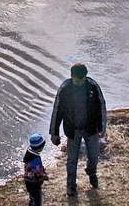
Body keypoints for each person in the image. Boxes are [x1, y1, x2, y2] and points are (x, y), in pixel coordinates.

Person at [49, 63, 106, 196]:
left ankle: (91, 172)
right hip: (72, 131)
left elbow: (101, 106)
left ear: (86, 77)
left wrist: (102, 128)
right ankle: (71, 186)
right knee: (71, 160)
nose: (80, 83)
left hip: (91, 129)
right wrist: (54, 133)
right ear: (71, 77)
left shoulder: (93, 86)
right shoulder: (65, 89)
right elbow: (57, 111)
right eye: (77, 81)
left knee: (93, 157)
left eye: (82, 81)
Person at [22, 133, 49, 206]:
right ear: (40, 147)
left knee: (32, 198)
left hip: (28, 181)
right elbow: (37, 172)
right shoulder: (35, 159)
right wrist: (44, 176)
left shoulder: (29, 154)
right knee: (37, 200)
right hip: (34, 183)